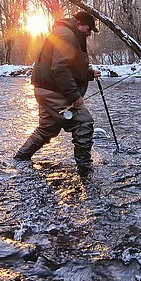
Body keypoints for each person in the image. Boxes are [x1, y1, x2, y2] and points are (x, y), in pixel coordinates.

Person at [14, 10, 101, 173]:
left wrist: (88, 74)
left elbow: (69, 65)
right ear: (79, 24)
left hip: (45, 89)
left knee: (47, 129)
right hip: (52, 90)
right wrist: (74, 95)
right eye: (88, 29)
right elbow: (60, 68)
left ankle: (19, 159)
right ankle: (84, 169)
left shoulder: (66, 33)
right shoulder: (66, 35)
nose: (89, 33)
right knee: (83, 122)